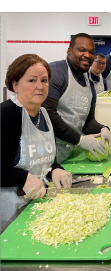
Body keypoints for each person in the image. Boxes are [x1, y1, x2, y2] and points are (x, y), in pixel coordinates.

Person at [0, 54, 75, 229]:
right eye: (32, 80)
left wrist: (55, 169)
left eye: (44, 80)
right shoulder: (6, 115)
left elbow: (46, 157)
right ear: (15, 84)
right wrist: (22, 178)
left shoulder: (45, 114)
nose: (40, 86)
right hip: (10, 214)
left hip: (38, 208)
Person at [44, 34, 111, 164]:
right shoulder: (56, 73)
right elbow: (47, 114)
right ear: (69, 50)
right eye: (82, 50)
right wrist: (80, 140)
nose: (87, 55)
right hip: (44, 154)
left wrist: (103, 129)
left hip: (66, 156)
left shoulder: (89, 84)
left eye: (91, 52)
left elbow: (87, 122)